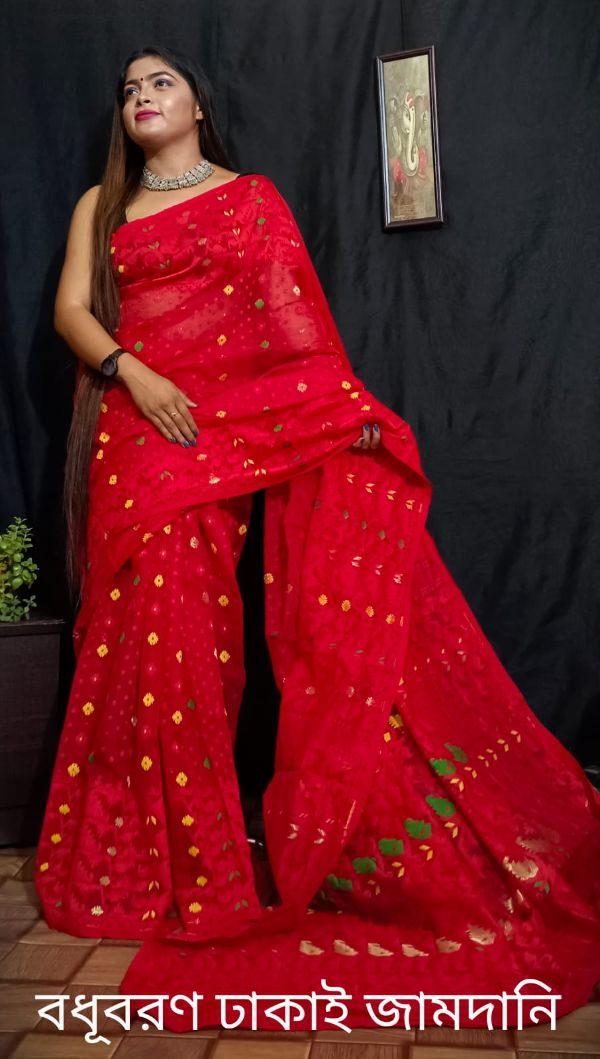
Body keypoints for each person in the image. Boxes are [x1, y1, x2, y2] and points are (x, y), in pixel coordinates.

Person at [35, 44, 600, 1033]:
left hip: (220, 433)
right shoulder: (102, 204)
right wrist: (134, 372)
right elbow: (69, 311)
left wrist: (341, 414)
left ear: (198, 106)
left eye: (161, 83)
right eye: (129, 89)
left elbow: (293, 329)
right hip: (136, 430)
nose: (143, 97)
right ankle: (136, 864)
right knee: (135, 645)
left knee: (199, 651)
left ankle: (209, 866)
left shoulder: (250, 199)